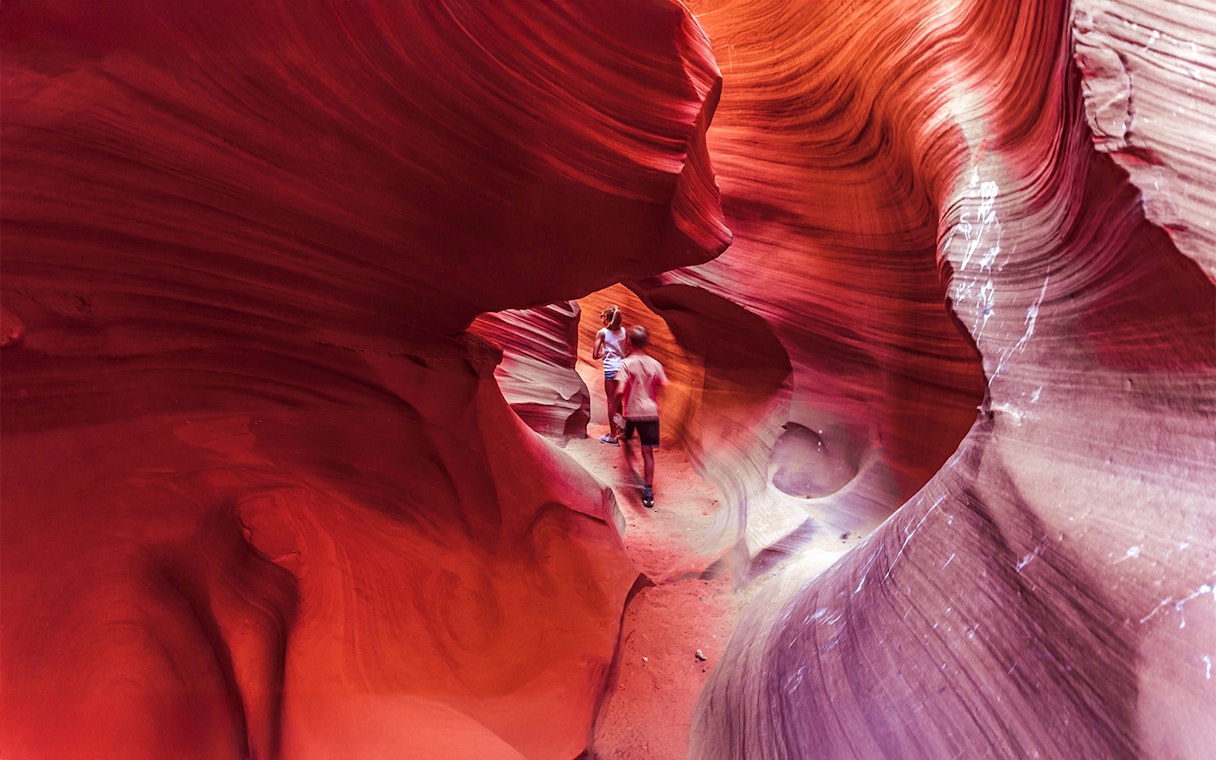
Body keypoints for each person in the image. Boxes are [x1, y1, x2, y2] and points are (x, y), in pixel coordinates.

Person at [616, 325, 667, 508]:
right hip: (650, 412)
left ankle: (633, 471)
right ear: (649, 342)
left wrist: (615, 407)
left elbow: (620, 390)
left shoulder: (625, 364)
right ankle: (648, 490)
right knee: (648, 451)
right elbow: (664, 385)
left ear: (628, 342)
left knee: (625, 440)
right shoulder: (655, 364)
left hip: (631, 412)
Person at [591, 305, 629, 444]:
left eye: (602, 316)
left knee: (611, 403)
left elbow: (595, 355)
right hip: (623, 368)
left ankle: (613, 436)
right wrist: (622, 356)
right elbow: (630, 347)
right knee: (619, 402)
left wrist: (605, 354)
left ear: (606, 318)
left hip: (611, 370)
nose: (601, 319)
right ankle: (623, 431)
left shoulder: (602, 333)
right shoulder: (624, 331)